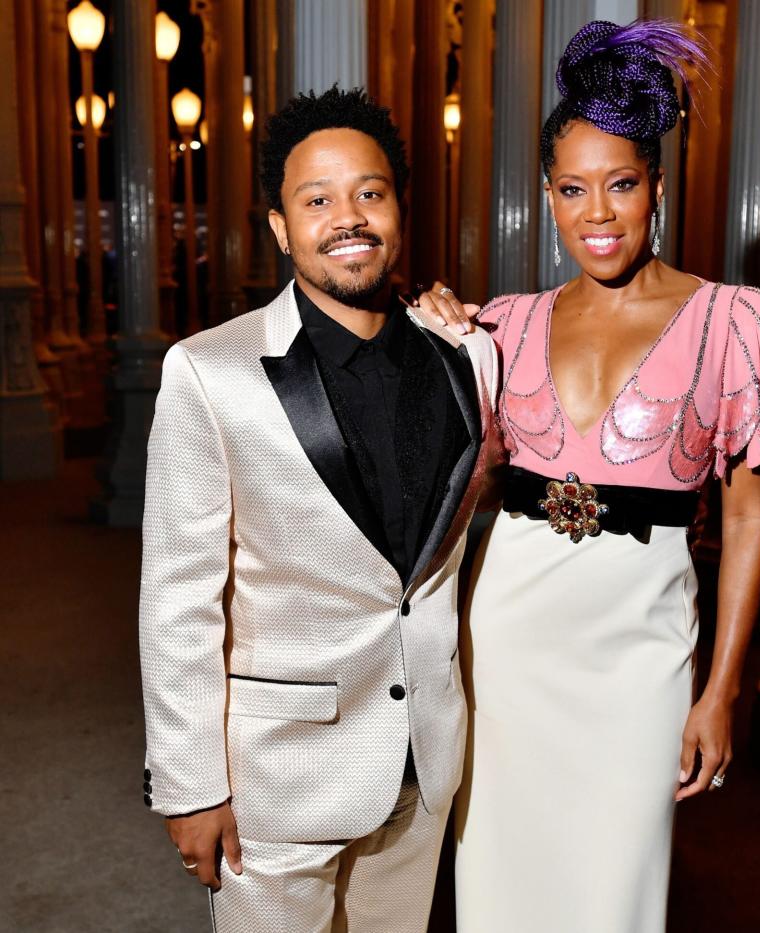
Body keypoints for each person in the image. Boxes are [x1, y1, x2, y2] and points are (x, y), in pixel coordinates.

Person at [419, 19, 760, 933]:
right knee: (500, 893)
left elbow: (749, 521)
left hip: (640, 653)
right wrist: (437, 342)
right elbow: (462, 488)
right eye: (572, 189)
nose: (597, 214)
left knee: (616, 898)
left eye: (622, 185)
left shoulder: (736, 325)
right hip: (510, 643)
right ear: (548, 197)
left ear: (659, 187)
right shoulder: (505, 327)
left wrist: (719, 692)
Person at [139, 86, 499, 933]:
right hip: (277, 780)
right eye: (318, 199)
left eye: (370, 193)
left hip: (422, 763)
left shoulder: (465, 355)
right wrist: (190, 785)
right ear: (279, 225)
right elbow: (178, 600)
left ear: (400, 208)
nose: (348, 217)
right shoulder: (208, 371)